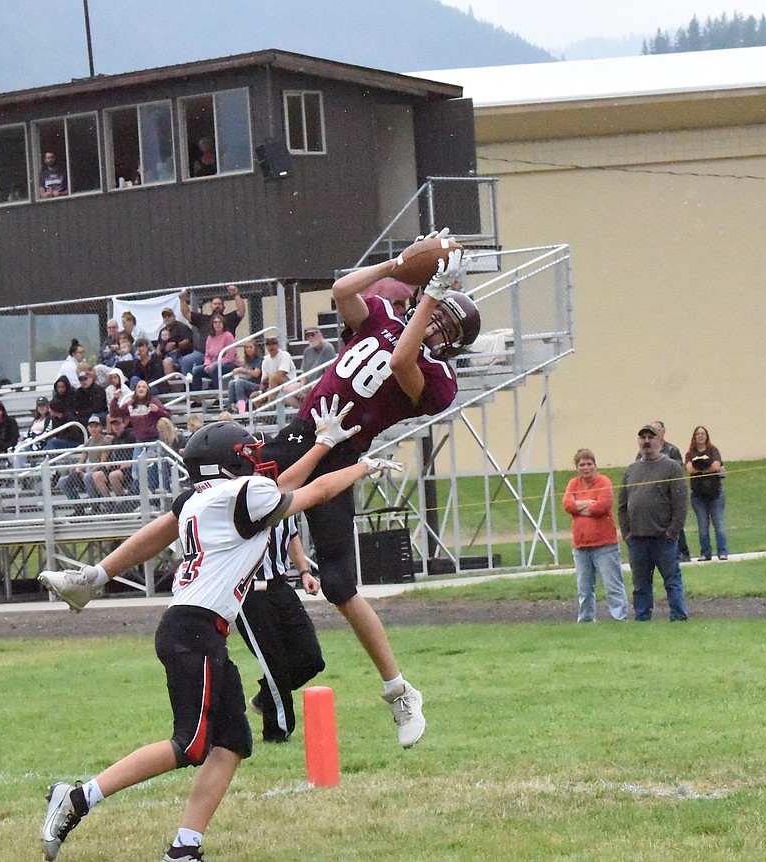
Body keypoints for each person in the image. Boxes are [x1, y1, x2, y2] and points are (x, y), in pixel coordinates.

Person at [40, 229, 481, 748]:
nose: (433, 328)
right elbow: (342, 292)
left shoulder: (438, 378)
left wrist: (430, 294)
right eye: (437, 316)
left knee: (340, 584)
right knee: (193, 506)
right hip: (299, 438)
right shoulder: (384, 318)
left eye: (443, 328)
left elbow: (405, 361)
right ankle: (94, 578)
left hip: (337, 451)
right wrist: (398, 263)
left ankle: (400, 690)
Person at [36, 404, 391, 862]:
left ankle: (185, 847)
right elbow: (313, 491)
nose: (258, 460)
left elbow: (160, 532)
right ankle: (78, 797)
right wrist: (360, 465)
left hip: (195, 627)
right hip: (196, 631)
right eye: (248, 454)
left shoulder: (199, 499)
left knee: (231, 743)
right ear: (231, 462)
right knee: (190, 744)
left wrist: (97, 576)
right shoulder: (241, 493)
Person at [236, 515, 324, 742]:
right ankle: (278, 733)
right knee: (275, 665)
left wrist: (304, 572)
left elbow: (292, 535)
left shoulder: (285, 500)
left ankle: (265, 698)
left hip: (280, 585)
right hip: (249, 593)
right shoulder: (241, 499)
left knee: (312, 658)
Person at [618, 423, 689, 622]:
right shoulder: (630, 470)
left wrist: (673, 531)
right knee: (640, 584)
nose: (647, 442)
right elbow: (622, 505)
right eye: (643, 438)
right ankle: (642, 619)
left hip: (663, 539)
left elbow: (681, 503)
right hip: (637, 540)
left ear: (660, 441)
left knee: (672, 580)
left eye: (651, 437)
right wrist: (626, 533)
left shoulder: (671, 468)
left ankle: (678, 617)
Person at [562, 448, 627, 622]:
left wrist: (578, 507)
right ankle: (586, 620)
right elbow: (567, 504)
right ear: (577, 467)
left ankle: (619, 618)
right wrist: (588, 503)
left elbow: (601, 507)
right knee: (584, 588)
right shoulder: (573, 484)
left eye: (589, 463)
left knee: (612, 585)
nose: (586, 468)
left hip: (605, 545)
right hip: (580, 546)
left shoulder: (604, 481)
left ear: (595, 465)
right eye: (582, 464)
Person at [636, 420, 692, 562]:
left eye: (656, 431)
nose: (647, 440)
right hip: (651, 499)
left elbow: (678, 470)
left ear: (662, 432)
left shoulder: (672, 450)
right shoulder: (641, 453)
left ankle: (683, 553)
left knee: (676, 525)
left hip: (668, 495)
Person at [179, 285, 246, 375]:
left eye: (220, 304)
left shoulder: (229, 319)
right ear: (211, 306)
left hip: (223, 357)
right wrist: (182, 300)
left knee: (214, 368)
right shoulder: (203, 319)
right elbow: (186, 313)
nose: (217, 306)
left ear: (224, 307)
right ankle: (189, 387)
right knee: (186, 361)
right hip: (202, 354)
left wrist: (236, 294)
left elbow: (241, 311)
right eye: (215, 304)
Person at [685, 425, 728, 561]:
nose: (700, 436)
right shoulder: (690, 454)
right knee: (703, 527)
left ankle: (722, 552)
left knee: (719, 524)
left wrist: (701, 469)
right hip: (698, 496)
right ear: (694, 437)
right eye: (698, 434)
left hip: (715, 494)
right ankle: (705, 553)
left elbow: (717, 466)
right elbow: (690, 469)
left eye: (703, 433)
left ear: (707, 436)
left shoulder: (713, 450)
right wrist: (708, 468)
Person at [188, 315, 237, 392]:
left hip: (228, 364)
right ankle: (197, 398)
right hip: (212, 365)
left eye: (219, 322)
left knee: (214, 368)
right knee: (196, 370)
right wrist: (207, 364)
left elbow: (229, 357)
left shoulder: (228, 336)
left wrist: (212, 365)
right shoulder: (210, 337)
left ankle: (219, 394)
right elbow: (207, 355)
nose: (217, 324)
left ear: (223, 324)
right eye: (215, 322)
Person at [249, 333, 296, 409]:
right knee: (254, 396)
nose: (271, 347)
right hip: (271, 387)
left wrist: (269, 379)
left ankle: (271, 404)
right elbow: (263, 382)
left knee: (273, 377)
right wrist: (263, 388)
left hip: (288, 385)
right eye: (268, 345)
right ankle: (264, 416)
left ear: (277, 345)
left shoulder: (285, 355)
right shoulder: (265, 360)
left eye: (273, 344)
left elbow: (281, 373)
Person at [226, 339, 263, 411]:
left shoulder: (260, 360)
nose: (248, 349)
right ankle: (231, 407)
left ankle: (242, 409)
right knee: (231, 383)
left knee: (240, 383)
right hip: (248, 383)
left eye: (250, 347)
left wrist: (243, 370)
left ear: (255, 348)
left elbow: (256, 374)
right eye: (246, 347)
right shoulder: (247, 361)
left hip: (258, 386)